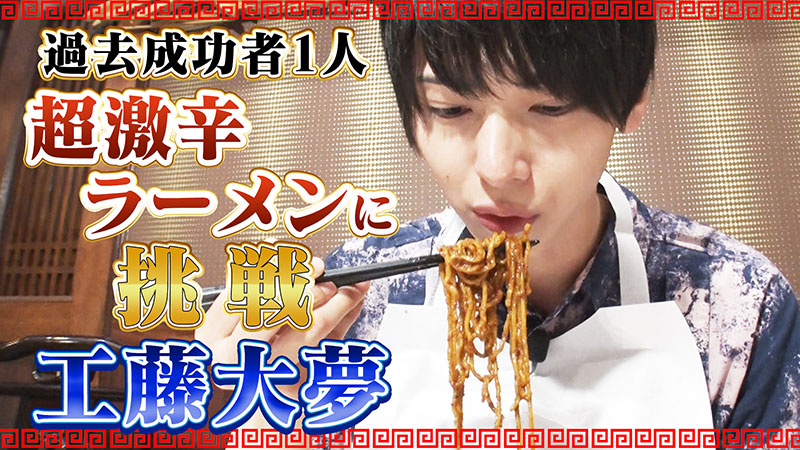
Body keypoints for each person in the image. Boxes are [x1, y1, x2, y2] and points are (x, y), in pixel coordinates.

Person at [197, 20, 800, 432]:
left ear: (632, 96)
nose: (496, 168)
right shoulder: (352, 305)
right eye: (451, 108)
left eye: (550, 106)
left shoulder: (736, 307)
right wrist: (255, 406)